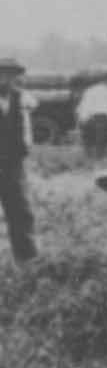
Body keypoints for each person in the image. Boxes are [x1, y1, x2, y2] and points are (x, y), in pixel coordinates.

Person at [0, 59, 37, 262]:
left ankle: (26, 258)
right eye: (1, 73)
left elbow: (26, 132)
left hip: (13, 163)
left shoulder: (20, 97)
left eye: (10, 74)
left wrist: (23, 152)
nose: (5, 78)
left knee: (21, 211)